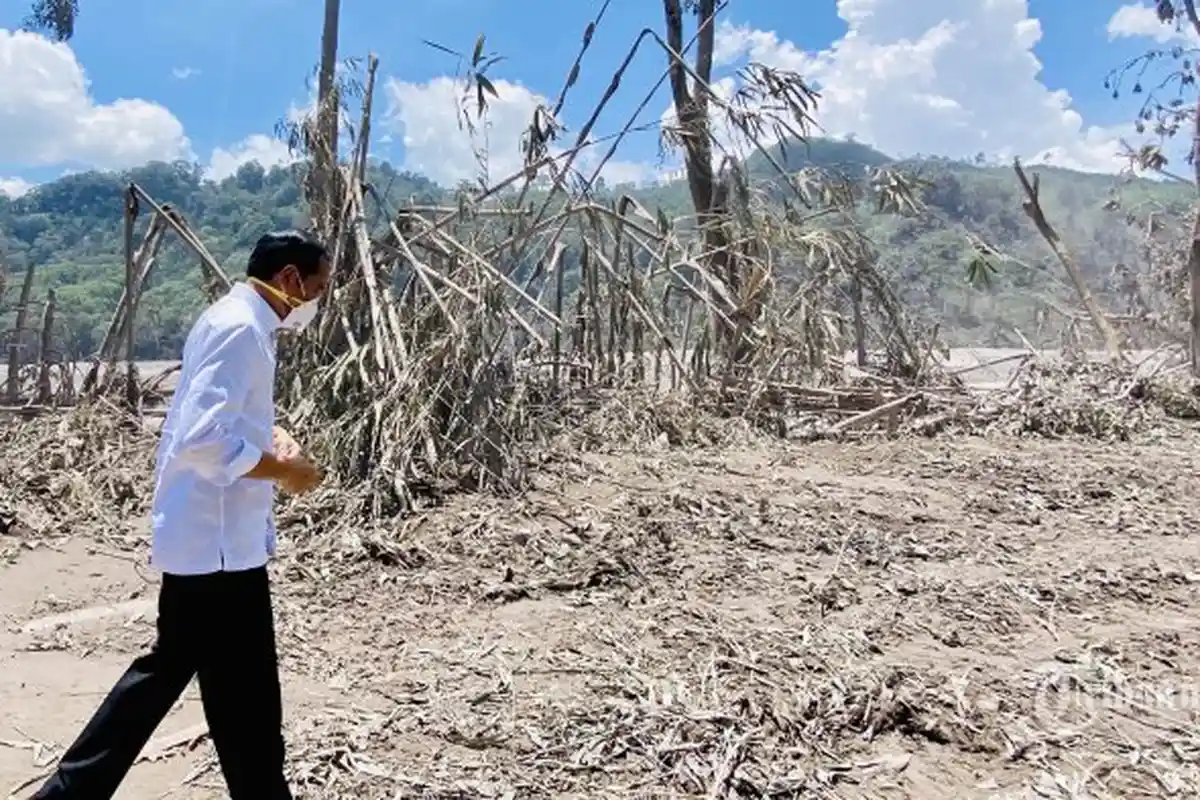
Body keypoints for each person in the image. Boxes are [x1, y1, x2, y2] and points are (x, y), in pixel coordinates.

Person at [33, 231, 331, 799]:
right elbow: (202, 439)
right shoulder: (241, 328)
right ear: (290, 279)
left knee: (234, 694)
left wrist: (273, 436)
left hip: (220, 544)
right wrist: (285, 473)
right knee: (202, 685)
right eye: (317, 286)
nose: (318, 299)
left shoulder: (243, 323)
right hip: (214, 544)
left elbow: (220, 419)